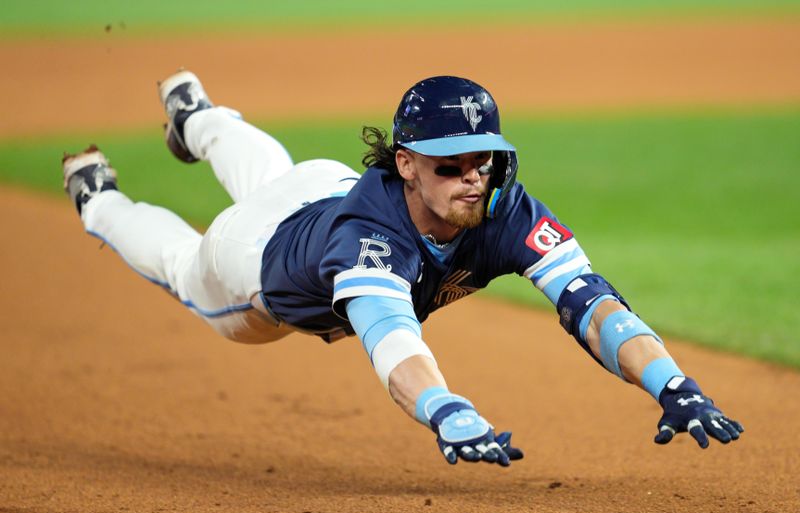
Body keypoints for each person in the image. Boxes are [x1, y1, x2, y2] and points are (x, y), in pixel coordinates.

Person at [62, 71, 744, 467]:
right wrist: (446, 409)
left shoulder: (501, 207)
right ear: (407, 163)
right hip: (254, 258)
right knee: (184, 265)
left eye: (485, 159)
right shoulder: (370, 240)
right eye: (451, 163)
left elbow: (588, 301)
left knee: (278, 172)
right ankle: (101, 199)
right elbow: (391, 336)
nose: (473, 179)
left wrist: (671, 381)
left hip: (320, 189)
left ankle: (200, 120)